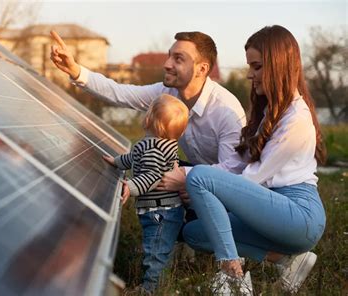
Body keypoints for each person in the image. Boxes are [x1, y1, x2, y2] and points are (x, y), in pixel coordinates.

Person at [182, 25, 327, 295]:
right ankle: (288, 261)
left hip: (299, 216)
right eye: (251, 66)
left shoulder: (296, 119)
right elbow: (237, 164)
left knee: (200, 176)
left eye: (257, 66)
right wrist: (190, 181)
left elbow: (253, 178)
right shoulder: (271, 113)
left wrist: (195, 181)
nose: (250, 74)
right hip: (271, 211)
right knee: (196, 232)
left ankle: (232, 276)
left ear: (279, 65)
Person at [50, 30, 247, 203]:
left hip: (227, 189)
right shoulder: (165, 94)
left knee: (193, 231)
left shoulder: (226, 111)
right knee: (153, 168)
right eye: (169, 56)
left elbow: (232, 173)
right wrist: (76, 71)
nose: (167, 64)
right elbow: (119, 93)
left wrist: (189, 180)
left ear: (202, 69)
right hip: (194, 175)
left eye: (178, 59)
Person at [102, 94, 189, 293]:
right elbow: (133, 158)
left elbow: (152, 175)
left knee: (156, 250)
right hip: (167, 210)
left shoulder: (153, 148)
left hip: (160, 212)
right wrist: (116, 161)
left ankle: (150, 289)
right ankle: (159, 278)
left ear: (149, 120)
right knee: (160, 245)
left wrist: (130, 187)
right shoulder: (159, 145)